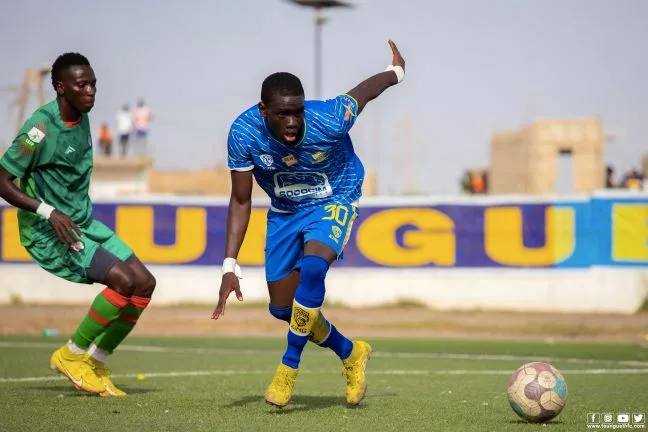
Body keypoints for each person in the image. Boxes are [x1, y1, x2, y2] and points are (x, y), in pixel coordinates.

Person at [212, 40, 405, 408]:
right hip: (286, 210)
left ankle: (288, 368)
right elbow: (240, 200)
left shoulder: (328, 119)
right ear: (263, 110)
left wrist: (395, 71)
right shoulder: (243, 133)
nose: (292, 121)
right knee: (283, 309)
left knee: (314, 269)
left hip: (335, 198)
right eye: (282, 114)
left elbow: (365, 92)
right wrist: (229, 265)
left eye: (297, 112)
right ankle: (351, 352)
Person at [0, 53, 156, 397]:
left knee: (144, 283)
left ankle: (95, 362)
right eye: (82, 85)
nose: (90, 91)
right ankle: (71, 355)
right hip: (51, 230)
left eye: (93, 84)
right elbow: (2, 180)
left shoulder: (82, 117)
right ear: (60, 87)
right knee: (123, 281)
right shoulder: (39, 129)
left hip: (83, 223)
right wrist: (48, 212)